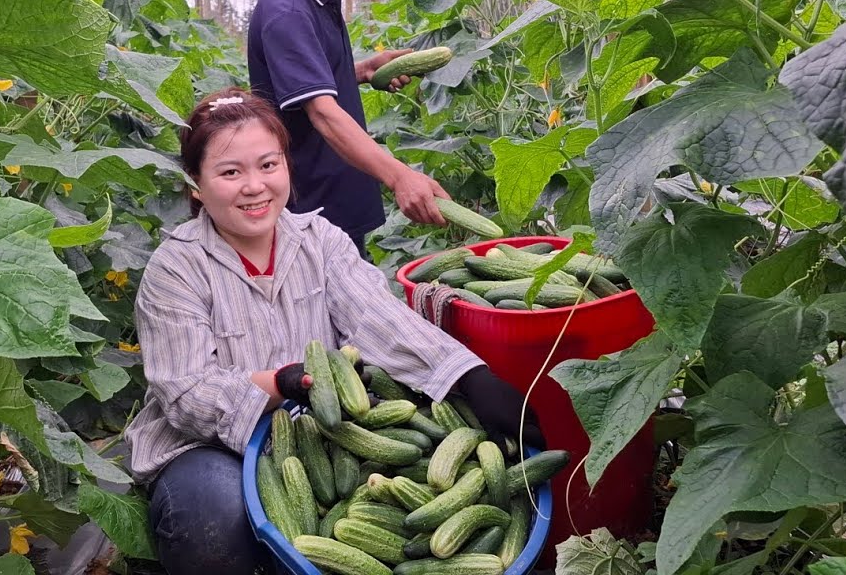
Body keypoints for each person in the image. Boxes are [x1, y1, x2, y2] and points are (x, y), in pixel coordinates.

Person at [126, 90, 543, 575]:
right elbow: (185, 393)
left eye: (268, 164)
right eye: (230, 172)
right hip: (206, 446)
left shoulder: (320, 241)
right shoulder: (176, 268)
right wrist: (276, 384)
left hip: (324, 428)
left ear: (286, 165)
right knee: (213, 519)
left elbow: (378, 318)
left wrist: (467, 377)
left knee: (376, 502)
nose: (254, 186)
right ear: (196, 184)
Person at [248, 0, 449, 258]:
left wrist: (359, 71)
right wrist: (399, 176)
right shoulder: (287, 10)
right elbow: (322, 112)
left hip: (333, 201)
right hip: (313, 213)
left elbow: (300, 83)